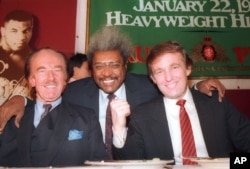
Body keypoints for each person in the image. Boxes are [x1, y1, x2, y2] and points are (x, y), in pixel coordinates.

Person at [0, 26, 225, 159]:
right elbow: (47, 99)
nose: (107, 73)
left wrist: (197, 87)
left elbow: (173, 88)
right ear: (91, 68)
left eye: (114, 65)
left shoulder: (149, 87)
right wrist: (20, 99)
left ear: (125, 66)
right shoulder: (76, 92)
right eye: (99, 66)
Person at [115, 41, 250, 164]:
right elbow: (131, 164)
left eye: (174, 67)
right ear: (153, 79)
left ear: (188, 68)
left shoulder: (216, 103)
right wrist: (119, 130)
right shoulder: (141, 116)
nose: (168, 78)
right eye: (159, 71)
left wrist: (229, 164)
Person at [0, 47, 108, 167]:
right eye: (42, 71)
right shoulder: (9, 118)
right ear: (31, 80)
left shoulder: (86, 119)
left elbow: (99, 165)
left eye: (57, 70)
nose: (51, 77)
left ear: (65, 79)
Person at [0, 10, 34, 105]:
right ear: (3, 31)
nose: (22, 37)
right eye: (14, 31)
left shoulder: (34, 59)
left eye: (26, 31)